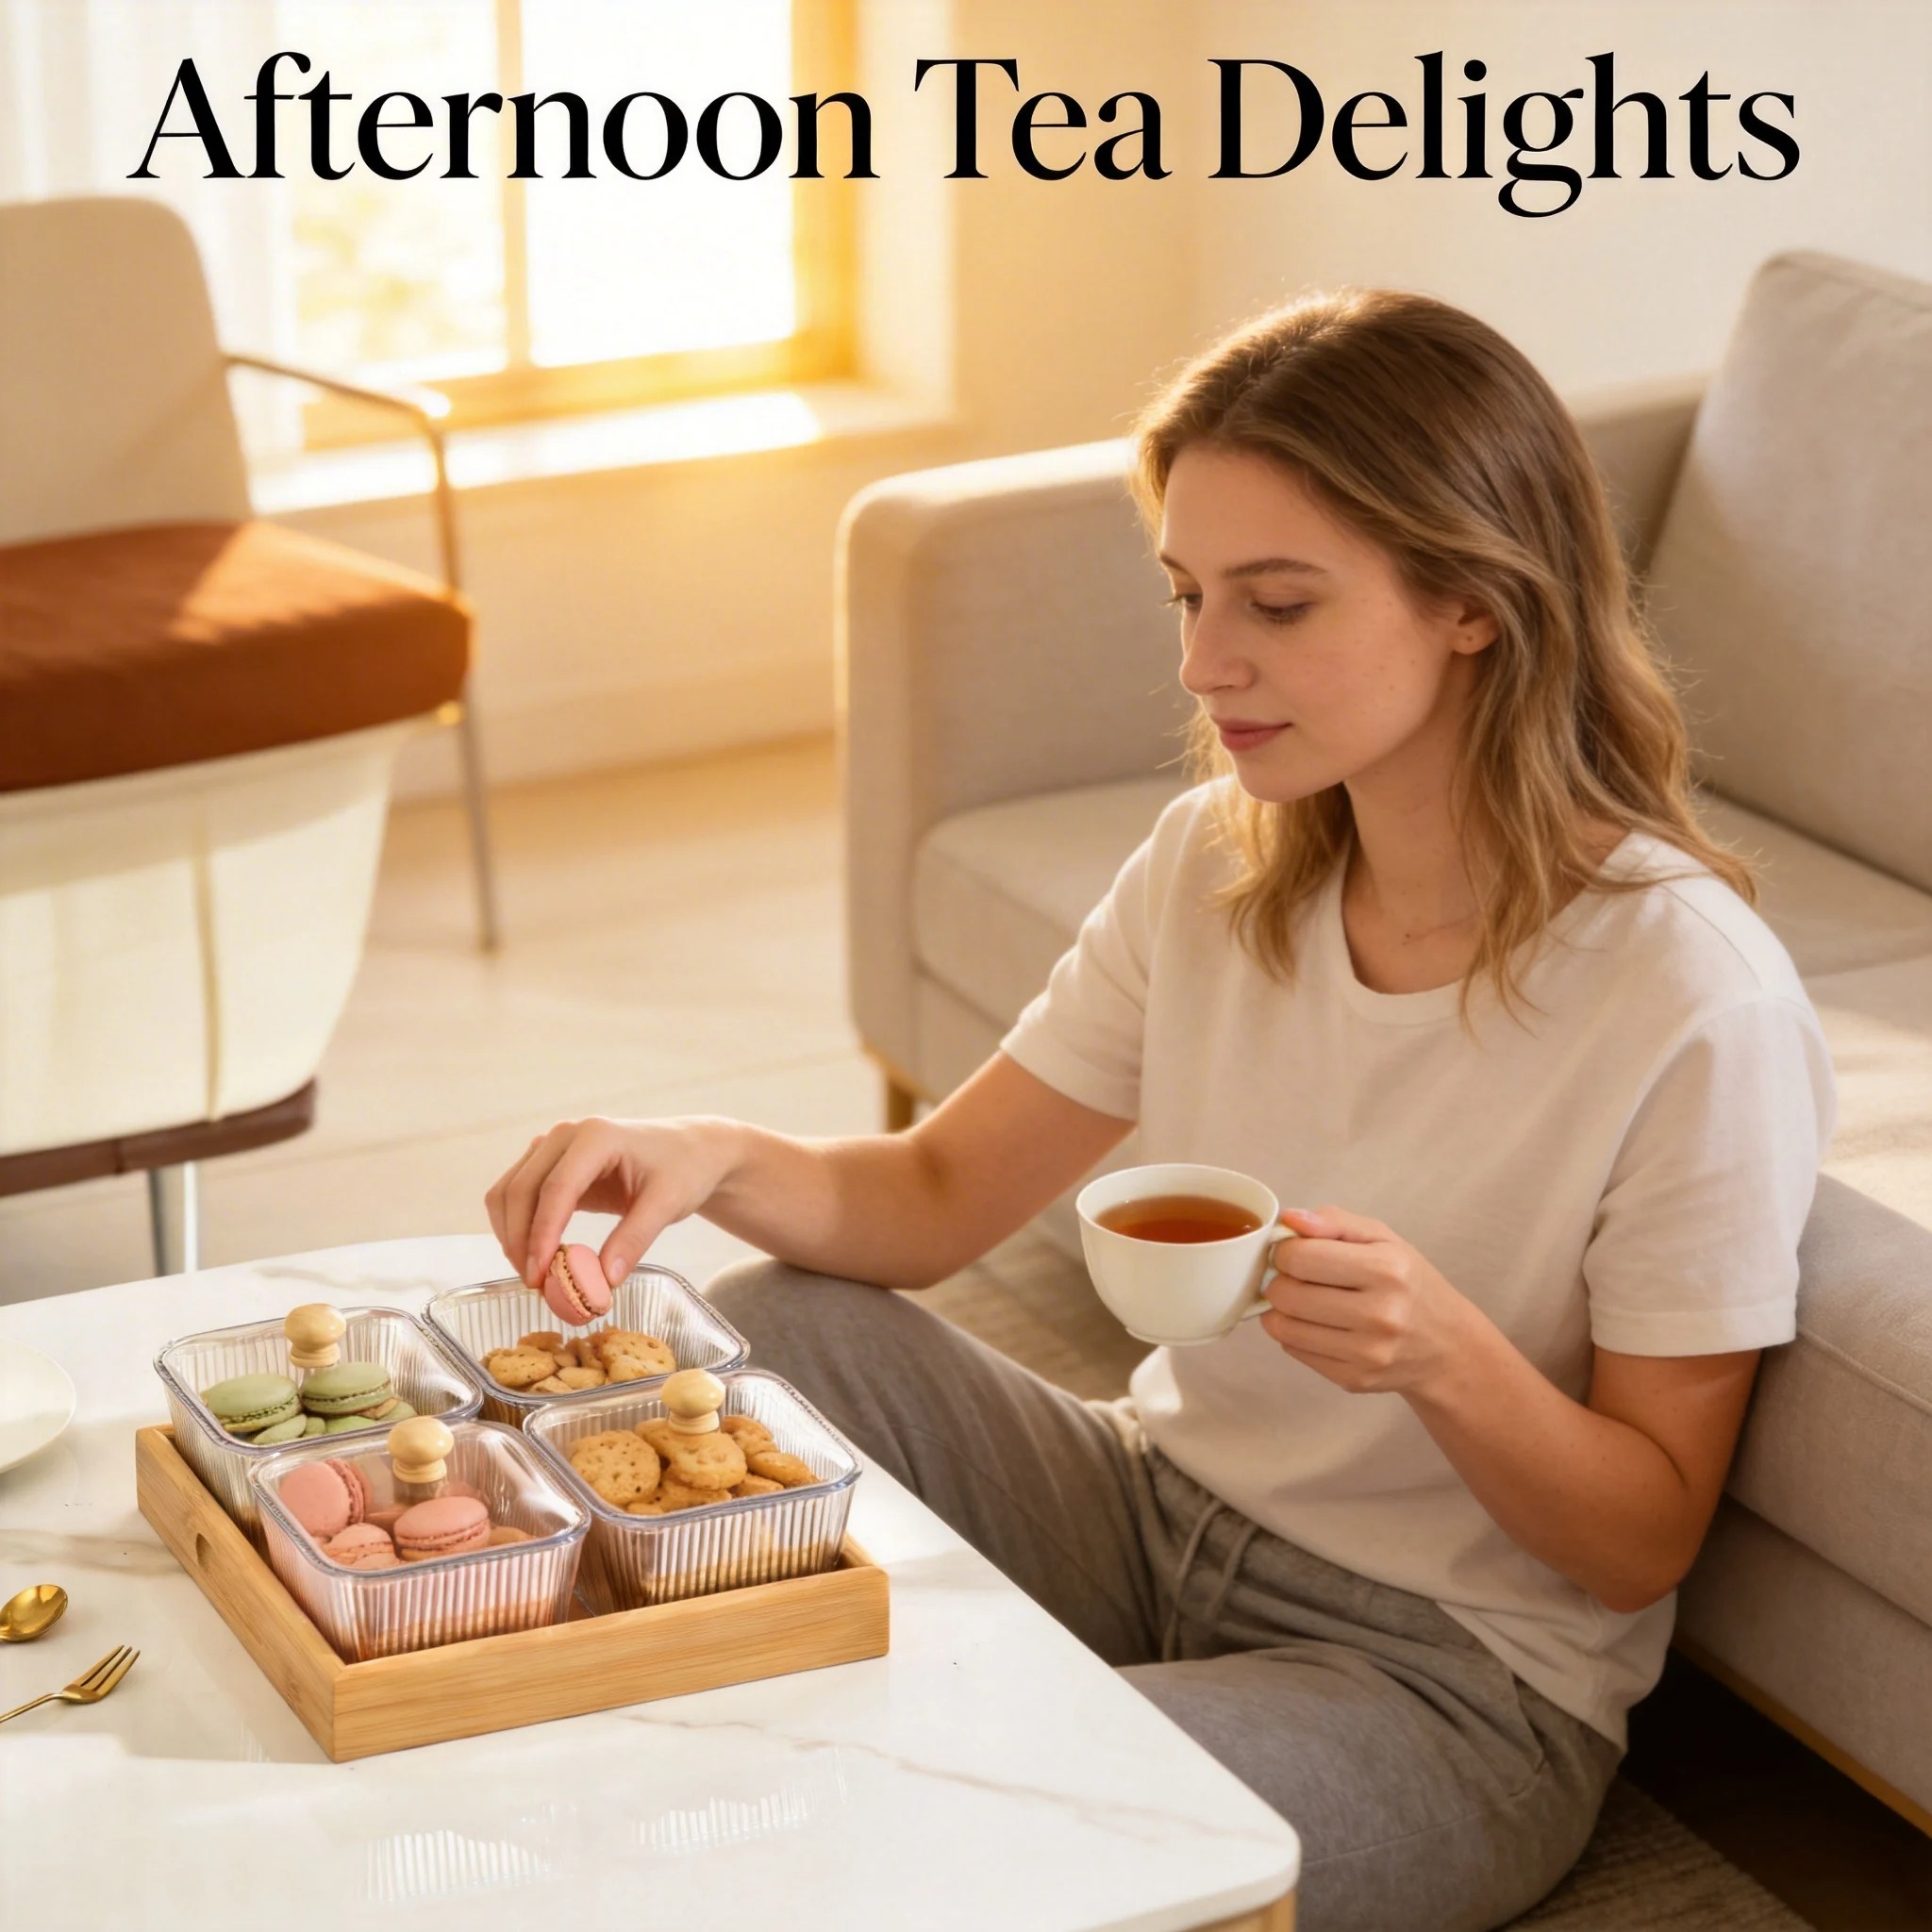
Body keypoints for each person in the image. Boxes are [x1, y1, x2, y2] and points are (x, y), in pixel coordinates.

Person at [485, 291, 1835, 1932]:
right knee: (784, 1323)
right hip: (1152, 1516)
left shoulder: (1694, 996)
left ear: (1473, 602)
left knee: (991, 1808)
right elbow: (927, 1201)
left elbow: (1639, 1545)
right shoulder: (1219, 864)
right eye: (1190, 595)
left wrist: (1444, 1355)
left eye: (1275, 603)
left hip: (1451, 1683)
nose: (1204, 664)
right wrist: (710, 1153)